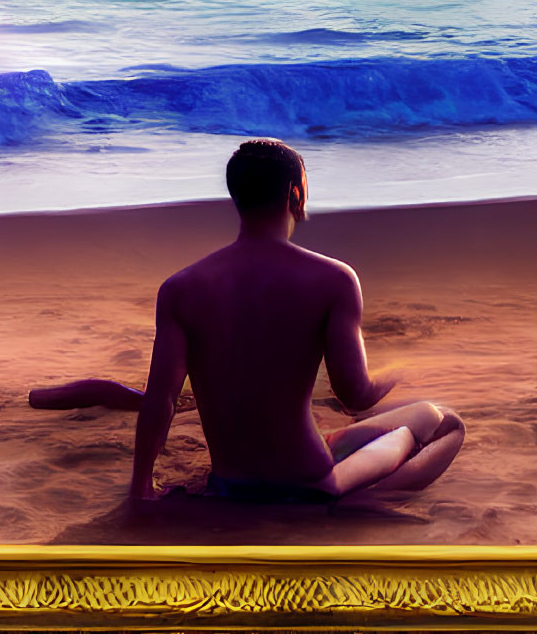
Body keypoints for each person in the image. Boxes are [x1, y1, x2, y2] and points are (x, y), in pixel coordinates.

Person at [30, 138, 464, 504]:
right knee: (438, 420)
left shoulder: (182, 287)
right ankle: (360, 502)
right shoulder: (333, 278)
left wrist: (140, 488)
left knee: (344, 439)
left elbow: (160, 400)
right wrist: (397, 372)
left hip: (230, 484)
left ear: (236, 196)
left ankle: (342, 479)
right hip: (307, 481)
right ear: (295, 194)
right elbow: (356, 395)